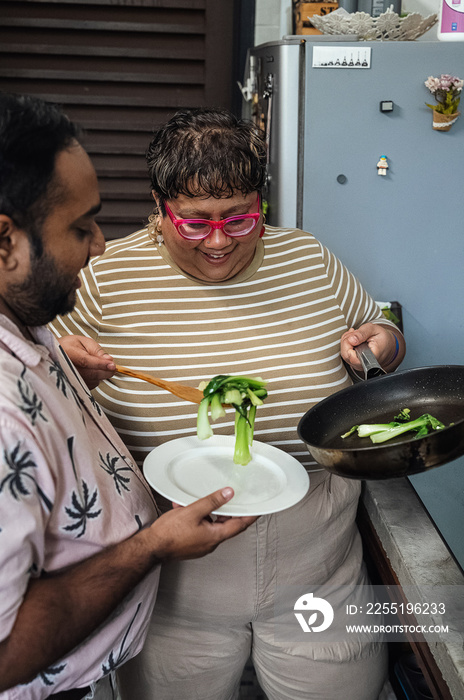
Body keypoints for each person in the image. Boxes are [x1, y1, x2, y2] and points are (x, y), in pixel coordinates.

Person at [52, 108, 406, 700]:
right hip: (171, 584)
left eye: (239, 218)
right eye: (195, 223)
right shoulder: (103, 276)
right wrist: (68, 371)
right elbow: (32, 380)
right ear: (160, 209)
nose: (218, 242)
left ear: (260, 205)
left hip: (318, 566)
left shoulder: (310, 259)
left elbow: (377, 325)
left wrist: (384, 345)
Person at [0, 94, 257, 700]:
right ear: (5, 242)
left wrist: (63, 378)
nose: (100, 245)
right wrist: (152, 545)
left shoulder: (25, 323)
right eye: (80, 226)